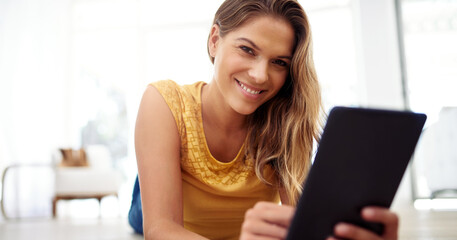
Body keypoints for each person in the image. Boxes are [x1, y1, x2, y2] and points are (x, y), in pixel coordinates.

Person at [128, 0, 400, 239]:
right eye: (247, 49)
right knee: (146, 213)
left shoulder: (287, 121)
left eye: (279, 62)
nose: (260, 75)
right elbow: (160, 230)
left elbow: (301, 227)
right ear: (214, 40)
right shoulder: (163, 100)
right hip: (162, 197)